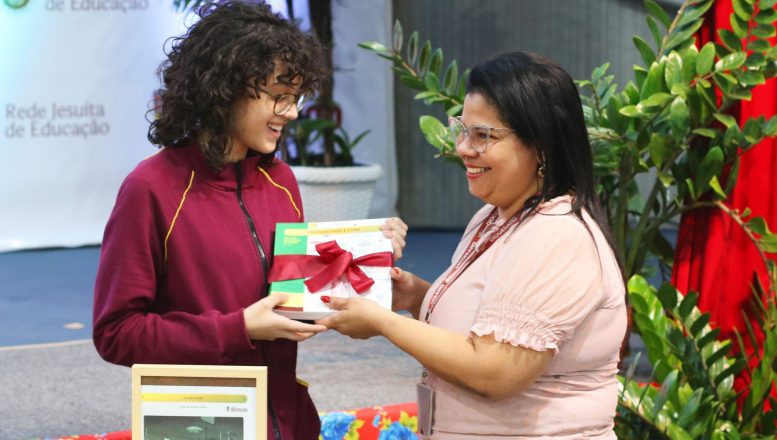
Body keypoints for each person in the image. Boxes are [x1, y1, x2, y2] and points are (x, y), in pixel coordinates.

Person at [91, 2, 406, 439]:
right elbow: (116, 334)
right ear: (225, 88)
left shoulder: (281, 182)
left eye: (295, 97)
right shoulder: (151, 188)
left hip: (287, 422)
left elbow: (293, 303)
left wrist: (369, 257)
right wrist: (235, 329)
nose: (291, 112)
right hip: (199, 425)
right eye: (279, 96)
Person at [318, 51, 628, 439]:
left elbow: (494, 372)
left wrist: (384, 323)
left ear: (541, 147)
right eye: (462, 130)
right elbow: (490, 322)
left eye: (483, 136)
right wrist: (417, 297)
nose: (463, 148)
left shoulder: (557, 236)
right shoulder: (493, 216)